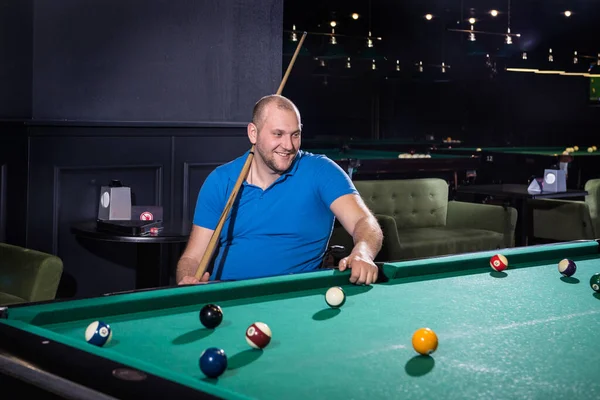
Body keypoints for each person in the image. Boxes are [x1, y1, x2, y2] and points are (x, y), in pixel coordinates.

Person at [176, 94, 383, 286]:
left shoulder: (321, 171)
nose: (288, 145)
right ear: (253, 133)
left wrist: (363, 251)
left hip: (296, 298)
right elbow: (192, 257)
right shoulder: (221, 181)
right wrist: (188, 279)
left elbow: (363, 222)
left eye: (295, 134)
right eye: (278, 134)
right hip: (227, 299)